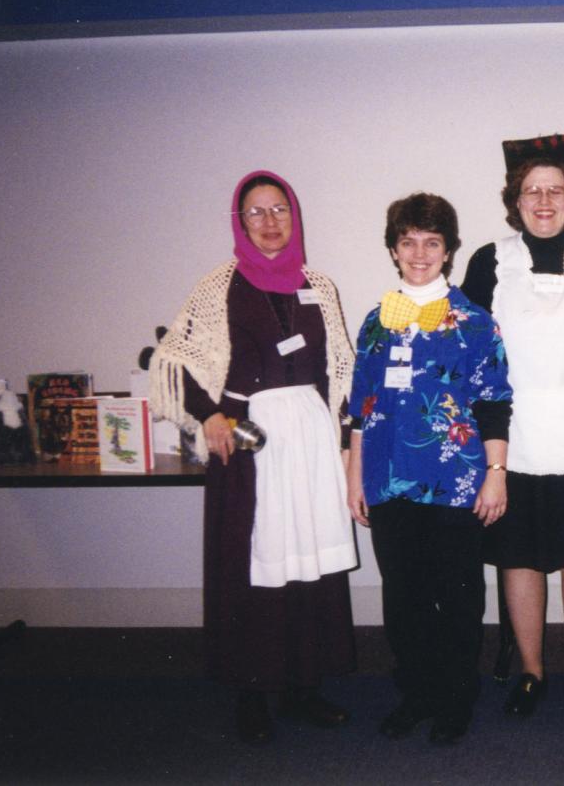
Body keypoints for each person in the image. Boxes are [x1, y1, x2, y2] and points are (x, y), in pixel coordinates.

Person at [150, 170, 358, 745]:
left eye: (279, 210)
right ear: (239, 223)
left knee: (307, 560)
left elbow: (338, 372)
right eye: (256, 213)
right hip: (248, 441)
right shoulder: (220, 284)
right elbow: (174, 358)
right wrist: (209, 415)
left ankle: (303, 688)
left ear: (296, 216)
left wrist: (344, 443)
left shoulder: (320, 284)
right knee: (252, 566)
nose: (270, 223)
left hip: (311, 439)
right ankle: (252, 691)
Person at [462, 134, 564, 718]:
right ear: (515, 199)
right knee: (521, 558)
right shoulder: (490, 260)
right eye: (531, 190)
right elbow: (473, 352)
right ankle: (532, 671)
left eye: (554, 190)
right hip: (513, 438)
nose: (543, 200)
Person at [345, 192, 512, 746]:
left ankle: (456, 698)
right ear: (394, 249)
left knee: (458, 596)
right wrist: (354, 479)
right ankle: (416, 692)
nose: (419, 253)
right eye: (408, 241)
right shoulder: (375, 322)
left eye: (432, 242)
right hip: (388, 480)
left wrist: (496, 472)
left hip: (456, 481)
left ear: (449, 250)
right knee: (403, 598)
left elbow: (494, 401)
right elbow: (359, 407)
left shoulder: (474, 322)